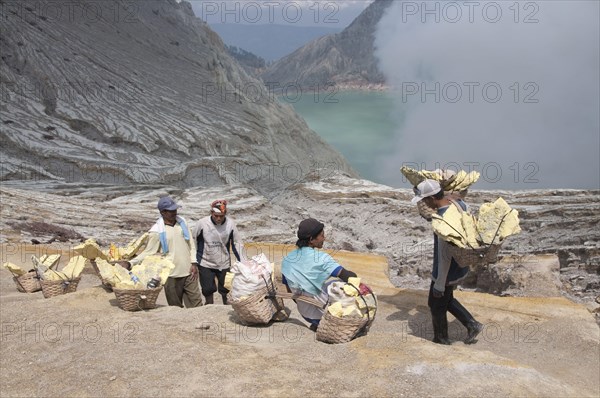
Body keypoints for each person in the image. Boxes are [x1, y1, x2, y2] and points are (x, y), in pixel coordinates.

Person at [412, 179, 484, 345]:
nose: (424, 203)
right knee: (446, 298)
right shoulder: (459, 204)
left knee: (435, 303)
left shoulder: (442, 220)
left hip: (446, 271)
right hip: (460, 265)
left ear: (431, 199)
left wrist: (439, 283)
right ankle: (472, 324)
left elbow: (444, 255)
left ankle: (441, 338)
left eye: (424, 200)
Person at [121, 196, 202, 308]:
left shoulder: (182, 222)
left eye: (175, 210)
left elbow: (191, 244)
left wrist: (194, 262)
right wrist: (130, 263)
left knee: (197, 305)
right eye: (171, 211)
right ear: (163, 212)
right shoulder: (156, 231)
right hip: (170, 275)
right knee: (176, 308)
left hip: (189, 271)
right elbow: (148, 252)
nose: (174, 212)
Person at [281, 218, 358, 331]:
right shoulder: (322, 258)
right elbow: (349, 277)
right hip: (322, 312)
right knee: (341, 283)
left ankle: (316, 322)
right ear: (311, 239)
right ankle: (334, 320)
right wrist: (354, 276)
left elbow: (289, 291)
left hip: (305, 314)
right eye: (321, 235)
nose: (324, 238)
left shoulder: (287, 260)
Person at [192, 200, 243, 305]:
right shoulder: (202, 223)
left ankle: (227, 306)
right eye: (216, 216)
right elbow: (193, 241)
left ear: (225, 214)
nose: (218, 218)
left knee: (226, 288)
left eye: (221, 216)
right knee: (207, 289)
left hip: (223, 261)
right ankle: (209, 306)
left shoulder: (230, 224)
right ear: (211, 213)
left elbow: (237, 243)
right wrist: (194, 260)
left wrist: (242, 261)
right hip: (205, 261)